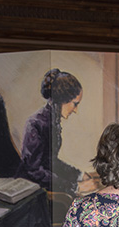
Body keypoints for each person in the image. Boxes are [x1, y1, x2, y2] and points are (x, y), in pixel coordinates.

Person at [15, 68, 92, 196]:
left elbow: (51, 162)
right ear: (63, 100)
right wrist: (74, 187)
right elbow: (33, 171)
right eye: (75, 104)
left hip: (44, 184)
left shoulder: (52, 121)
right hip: (29, 192)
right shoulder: (35, 123)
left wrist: (79, 175)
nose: (76, 110)